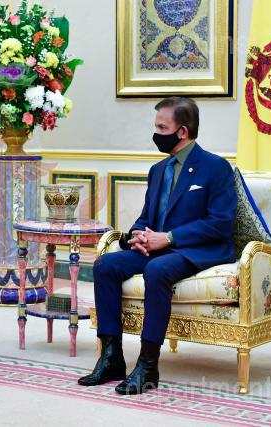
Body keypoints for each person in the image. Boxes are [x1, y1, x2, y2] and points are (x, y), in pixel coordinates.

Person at [78, 97, 237, 394]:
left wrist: (169, 238)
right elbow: (146, 217)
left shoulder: (216, 168)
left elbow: (220, 223)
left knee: (158, 269)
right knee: (106, 265)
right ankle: (111, 358)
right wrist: (139, 235)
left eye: (162, 128)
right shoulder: (158, 170)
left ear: (182, 131)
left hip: (197, 249)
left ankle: (148, 365)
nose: (156, 133)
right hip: (157, 247)